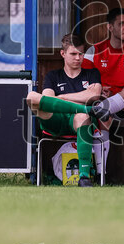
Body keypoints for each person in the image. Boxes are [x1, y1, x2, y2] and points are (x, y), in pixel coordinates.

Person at [25, 34, 103, 187]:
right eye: (73, 54)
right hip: (55, 120)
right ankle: (86, 109)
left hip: (78, 122)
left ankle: (84, 177)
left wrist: (63, 97)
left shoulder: (92, 73)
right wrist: (81, 99)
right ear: (63, 53)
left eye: (81, 54)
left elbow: (94, 95)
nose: (78, 58)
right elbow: (47, 101)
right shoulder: (53, 76)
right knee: (32, 97)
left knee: (82, 116)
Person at [84, 8, 124, 166]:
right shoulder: (94, 51)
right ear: (110, 27)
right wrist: (99, 90)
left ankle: (104, 107)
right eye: (121, 24)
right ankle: (101, 175)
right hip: (99, 101)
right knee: (103, 115)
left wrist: (108, 98)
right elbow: (84, 83)